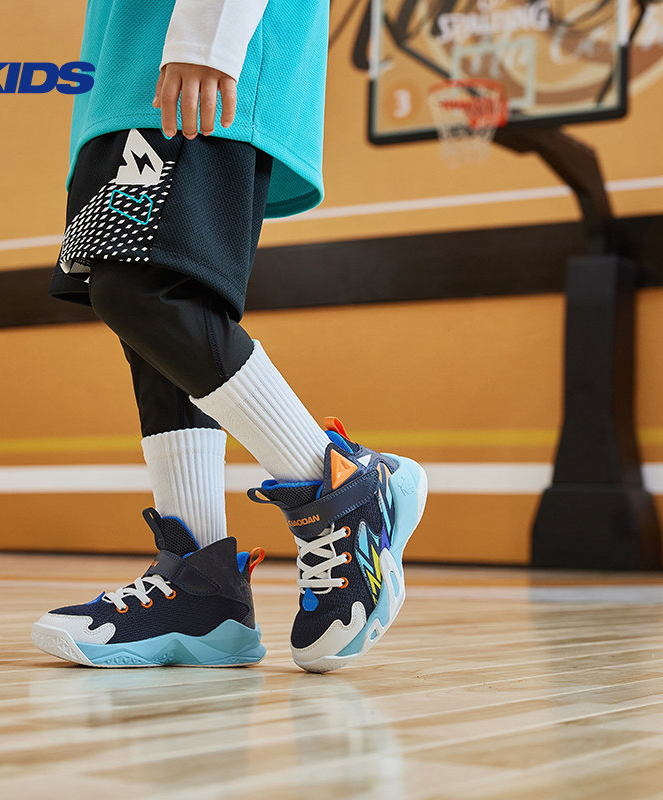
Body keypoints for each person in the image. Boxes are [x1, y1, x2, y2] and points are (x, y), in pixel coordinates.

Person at [31, 0, 427, 674]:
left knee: (144, 292)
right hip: (123, 74)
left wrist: (207, 35)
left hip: (190, 56)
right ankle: (201, 589)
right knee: (150, 312)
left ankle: (344, 487)